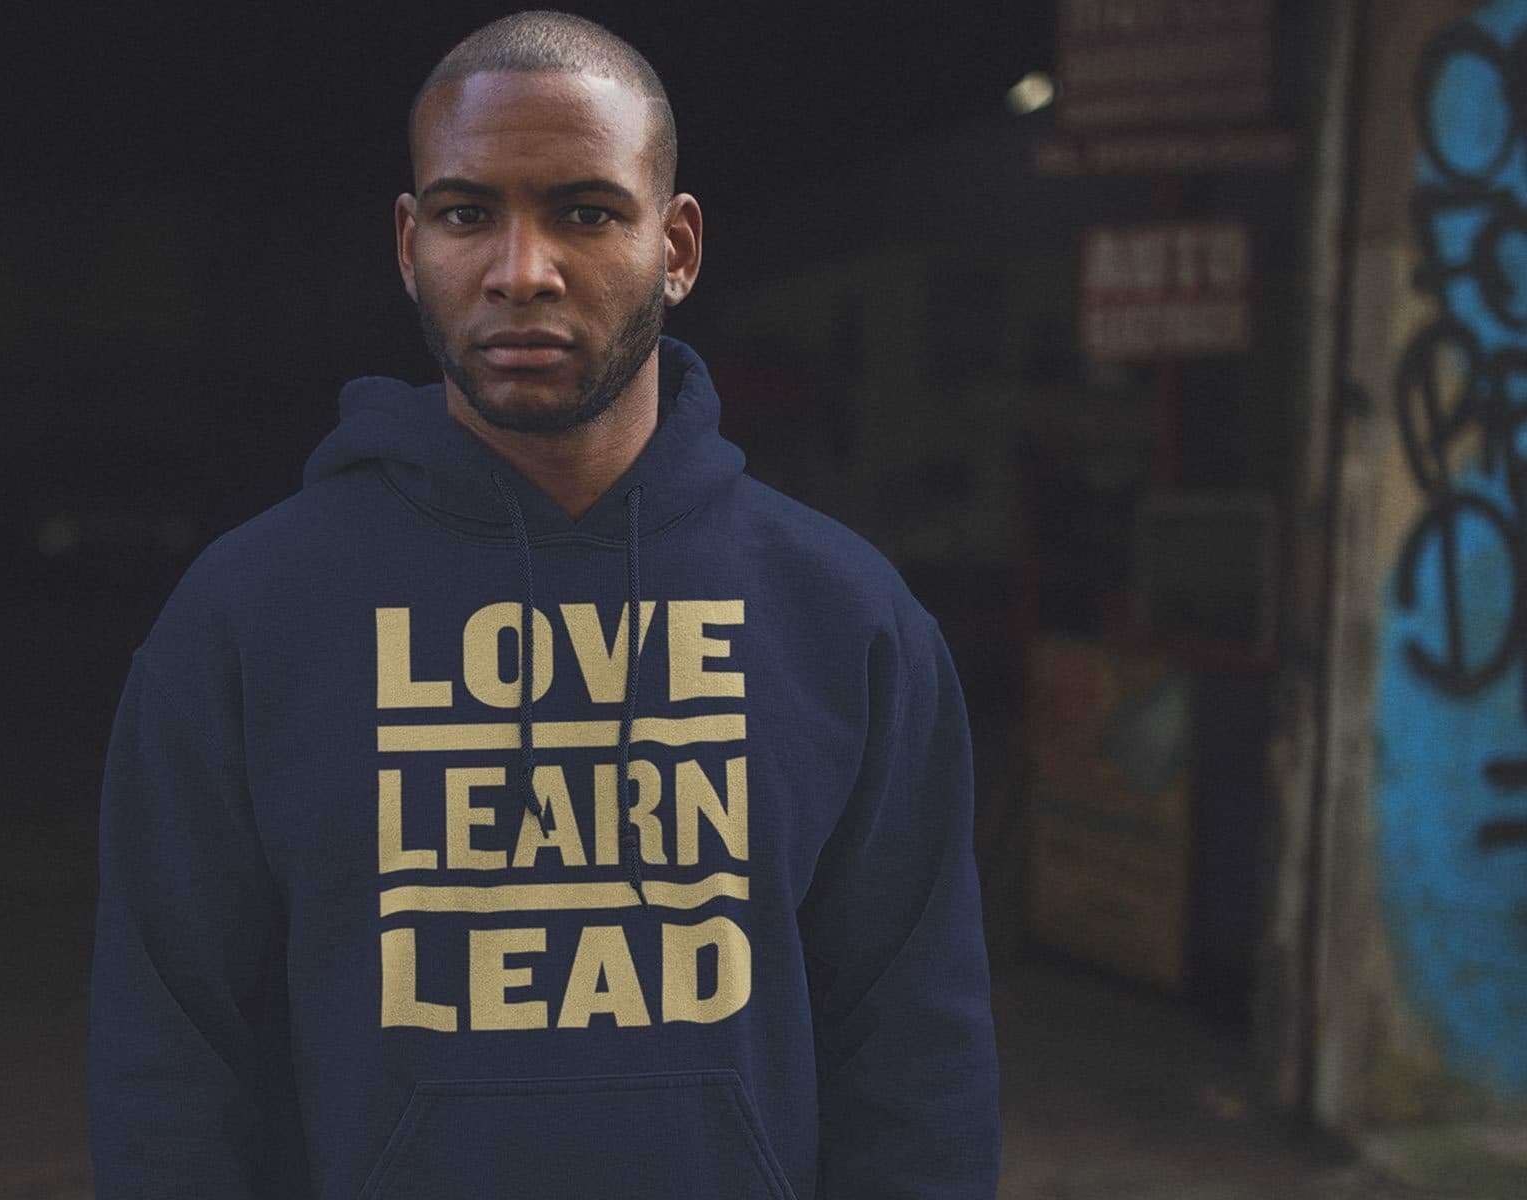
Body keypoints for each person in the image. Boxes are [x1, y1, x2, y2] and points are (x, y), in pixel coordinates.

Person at [88, 11, 999, 1198]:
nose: (522, 270)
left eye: (584, 210)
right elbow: (169, 1060)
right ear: (409, 243)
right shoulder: (247, 616)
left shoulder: (846, 618)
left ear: (675, 246)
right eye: (468, 214)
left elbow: (918, 1060)